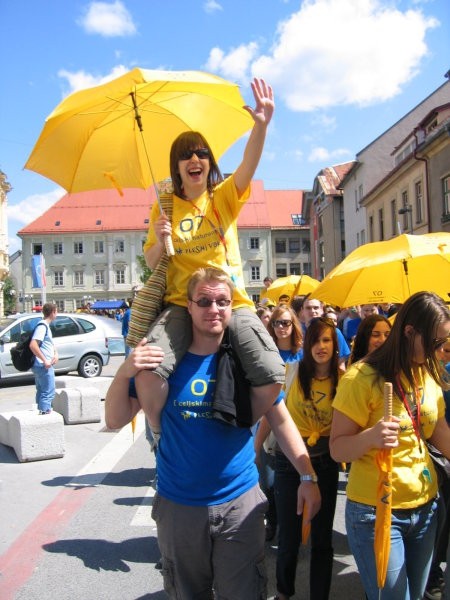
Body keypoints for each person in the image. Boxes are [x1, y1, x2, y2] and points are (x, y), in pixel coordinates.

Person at [106, 267, 321, 599]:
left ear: (231, 307)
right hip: (180, 506)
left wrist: (308, 477)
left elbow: (280, 418)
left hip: (239, 504)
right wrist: (124, 372)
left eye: (222, 301)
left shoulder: (244, 361)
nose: (213, 309)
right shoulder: (164, 364)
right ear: (188, 306)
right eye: (204, 301)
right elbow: (116, 418)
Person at [135, 77, 285, 441]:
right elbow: (154, 261)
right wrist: (163, 237)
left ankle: (237, 424)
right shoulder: (165, 205)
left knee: (273, 372)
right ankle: (161, 431)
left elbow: (247, 165)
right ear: (177, 166)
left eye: (201, 153)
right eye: (186, 154)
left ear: (209, 162)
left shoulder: (223, 198)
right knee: (148, 374)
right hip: (180, 304)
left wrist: (260, 126)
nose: (194, 159)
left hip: (231, 301)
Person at [330, 291, 450, 600]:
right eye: (436, 343)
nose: (441, 352)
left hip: (426, 508)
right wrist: (371, 437)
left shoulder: (428, 373)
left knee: (417, 593)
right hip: (376, 512)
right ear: (410, 332)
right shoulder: (360, 378)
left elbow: (438, 430)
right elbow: (338, 449)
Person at [260, 316, 340, 599]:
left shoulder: (345, 380)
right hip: (289, 462)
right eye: (315, 340)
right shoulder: (291, 371)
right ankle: (284, 592)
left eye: (327, 340)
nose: (321, 346)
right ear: (306, 344)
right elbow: (274, 415)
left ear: (335, 344)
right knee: (289, 537)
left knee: (321, 539)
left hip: (326, 463)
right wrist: (256, 448)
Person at [301, 295, 350, 369]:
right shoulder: (297, 332)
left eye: (316, 308)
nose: (312, 311)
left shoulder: (335, 332)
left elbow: (341, 363)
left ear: (322, 309)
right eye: (308, 308)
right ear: (302, 310)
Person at [29, 302, 58, 415]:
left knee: (41, 391)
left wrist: (55, 353)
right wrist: (45, 360)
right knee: (48, 392)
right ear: (53, 312)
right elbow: (33, 345)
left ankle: (40, 413)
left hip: (41, 364)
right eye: (56, 312)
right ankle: (45, 414)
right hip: (43, 365)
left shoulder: (45, 326)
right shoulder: (42, 326)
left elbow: (48, 344)